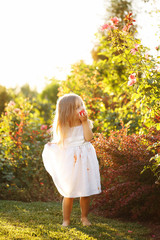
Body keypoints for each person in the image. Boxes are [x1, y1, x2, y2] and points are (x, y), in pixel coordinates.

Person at [42, 93, 101, 227]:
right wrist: (53, 146)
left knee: (85, 192)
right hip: (71, 161)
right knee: (69, 192)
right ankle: (66, 220)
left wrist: (85, 122)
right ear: (67, 111)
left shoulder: (84, 123)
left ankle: (84, 217)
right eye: (76, 107)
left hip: (85, 160)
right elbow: (61, 142)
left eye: (81, 105)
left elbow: (89, 138)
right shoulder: (63, 126)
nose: (81, 108)